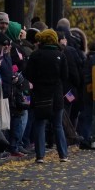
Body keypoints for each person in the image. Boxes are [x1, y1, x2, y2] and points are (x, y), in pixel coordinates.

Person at [23, 28, 70, 163]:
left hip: (40, 94)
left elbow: (28, 74)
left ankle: (40, 156)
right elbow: (65, 76)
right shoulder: (60, 55)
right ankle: (63, 154)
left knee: (40, 123)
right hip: (56, 94)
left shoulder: (36, 55)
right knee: (57, 125)